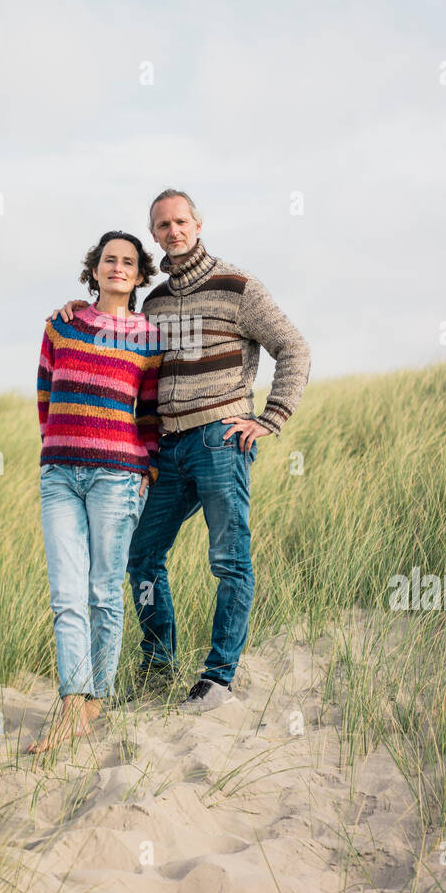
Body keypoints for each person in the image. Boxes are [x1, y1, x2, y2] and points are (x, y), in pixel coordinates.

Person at [51, 188, 311, 714]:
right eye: (162, 225)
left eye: (180, 222)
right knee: (142, 556)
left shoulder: (238, 287)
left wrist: (271, 418)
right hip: (167, 449)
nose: (173, 231)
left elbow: (294, 347)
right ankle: (158, 662)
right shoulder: (156, 302)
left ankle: (217, 679)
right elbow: (120, 336)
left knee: (229, 560)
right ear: (155, 235)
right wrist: (80, 308)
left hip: (221, 439)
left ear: (198, 223)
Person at [29, 231, 164, 752]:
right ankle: (71, 701)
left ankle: (93, 702)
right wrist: (57, 446)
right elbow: (45, 393)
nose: (118, 267)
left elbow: (149, 414)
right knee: (66, 595)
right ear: (95, 268)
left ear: (139, 273)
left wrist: (146, 470)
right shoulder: (61, 324)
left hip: (119, 477)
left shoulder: (149, 339)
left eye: (128, 261)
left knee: (105, 594)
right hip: (60, 475)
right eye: (110, 259)